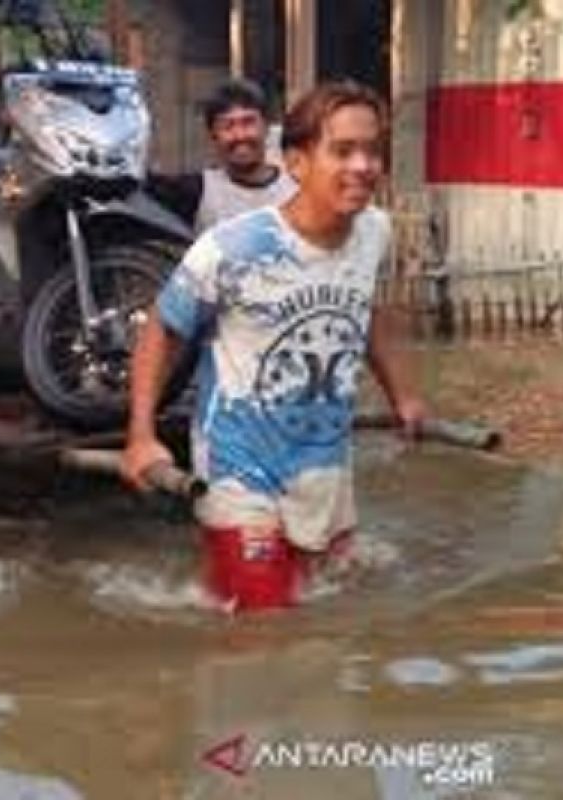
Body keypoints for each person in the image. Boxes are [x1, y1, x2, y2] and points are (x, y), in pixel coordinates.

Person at [122, 81, 426, 612]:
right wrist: (142, 436)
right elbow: (161, 329)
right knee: (260, 631)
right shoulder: (233, 247)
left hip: (325, 463)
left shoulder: (373, 232)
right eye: (342, 150)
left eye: (372, 150)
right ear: (297, 162)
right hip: (240, 469)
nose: (362, 165)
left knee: (328, 619)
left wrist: (403, 395)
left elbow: (367, 311)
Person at [149, 79, 298, 237]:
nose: (240, 135)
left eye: (248, 122)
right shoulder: (197, 192)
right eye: (228, 126)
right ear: (213, 135)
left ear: (266, 127)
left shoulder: (297, 187)